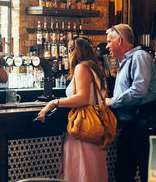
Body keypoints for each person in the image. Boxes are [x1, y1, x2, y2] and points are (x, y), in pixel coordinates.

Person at [37, 37, 108, 182]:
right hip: (96, 127)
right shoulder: (96, 68)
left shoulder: (81, 67)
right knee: (93, 172)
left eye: (69, 52)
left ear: (73, 51)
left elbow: (82, 98)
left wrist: (54, 103)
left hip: (83, 129)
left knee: (82, 172)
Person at [105, 24, 156, 182]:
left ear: (120, 41)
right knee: (122, 173)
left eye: (109, 41)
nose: (107, 46)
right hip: (131, 125)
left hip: (142, 125)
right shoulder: (125, 61)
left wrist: (113, 101)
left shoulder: (139, 56)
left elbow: (139, 90)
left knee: (146, 174)